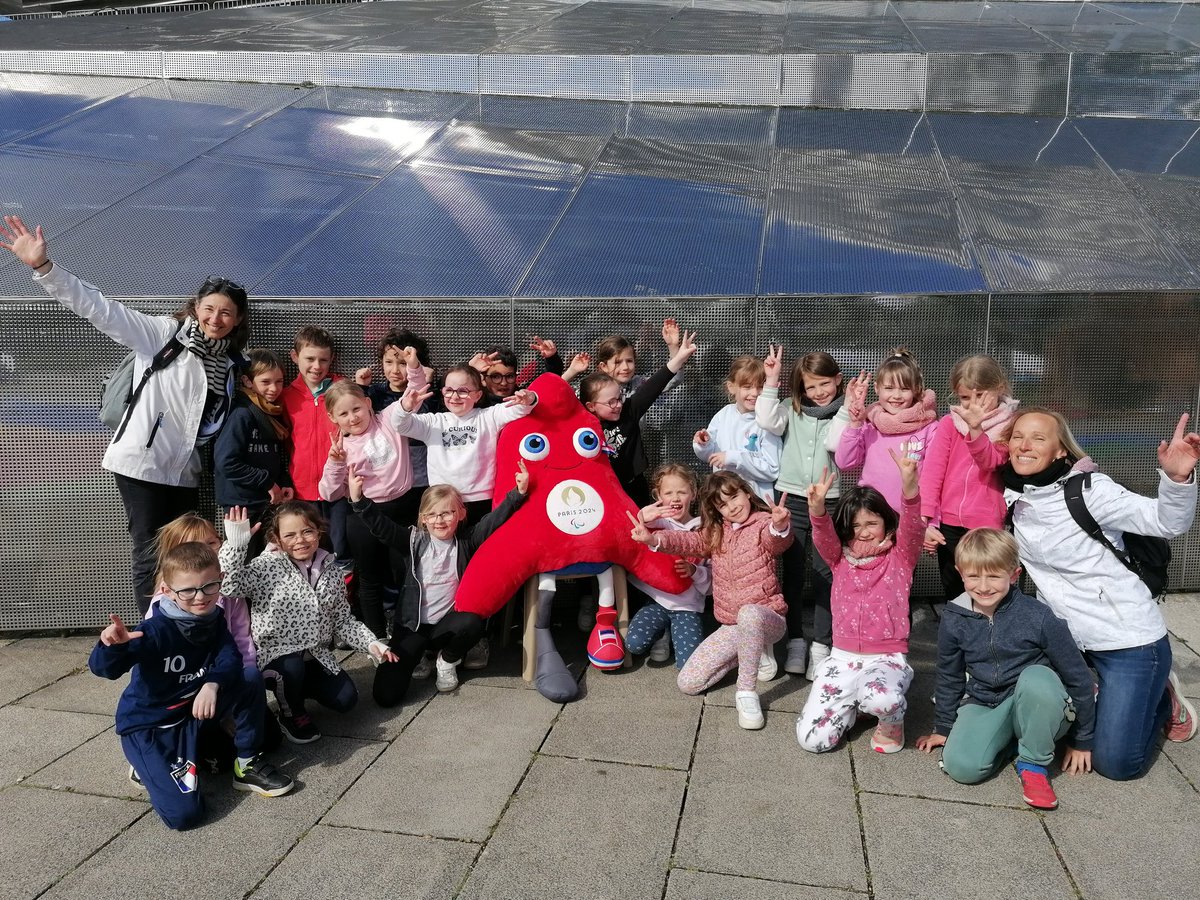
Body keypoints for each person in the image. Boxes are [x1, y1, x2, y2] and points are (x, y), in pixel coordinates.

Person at [1, 216, 250, 615]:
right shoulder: (163, 335)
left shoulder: (233, 364)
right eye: (209, 309)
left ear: (237, 319)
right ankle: (154, 634)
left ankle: (185, 625)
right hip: (143, 463)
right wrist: (43, 269)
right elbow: (100, 309)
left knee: (187, 552)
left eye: (226, 313)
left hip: (184, 471)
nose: (215, 319)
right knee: (151, 551)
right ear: (196, 308)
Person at [1000, 408, 1200, 780]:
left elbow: (1165, 522)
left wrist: (1176, 479)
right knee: (1049, 734)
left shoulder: (1089, 491)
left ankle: (1162, 697)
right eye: (1018, 437)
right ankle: (1118, 697)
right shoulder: (1013, 495)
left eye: (1038, 438)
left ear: (1061, 451)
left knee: (1117, 764)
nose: (1024, 445)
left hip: (1128, 640)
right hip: (1068, 643)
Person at [89, 542, 294, 830]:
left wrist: (212, 684)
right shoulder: (154, 631)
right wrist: (110, 646)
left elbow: (231, 659)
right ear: (167, 591)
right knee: (185, 816)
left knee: (249, 679)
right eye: (187, 590)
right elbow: (104, 670)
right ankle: (147, 765)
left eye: (209, 586)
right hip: (153, 726)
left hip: (192, 713)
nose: (200, 597)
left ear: (220, 581)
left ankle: (245, 764)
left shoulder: (213, 618)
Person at [915, 529, 1096, 811]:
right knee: (961, 767)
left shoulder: (1039, 616)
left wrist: (1082, 740)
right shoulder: (954, 617)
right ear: (960, 573)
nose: (984, 586)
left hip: (1038, 703)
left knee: (1036, 678)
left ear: (1013, 575)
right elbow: (950, 675)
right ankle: (1010, 740)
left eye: (994, 576)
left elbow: (1078, 675)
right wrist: (944, 726)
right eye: (974, 576)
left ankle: (1033, 764)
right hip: (986, 701)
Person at [349, 460, 529, 706]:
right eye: (432, 514)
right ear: (423, 519)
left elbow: (493, 521)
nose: (439, 520)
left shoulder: (466, 541)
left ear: (461, 514)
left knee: (472, 621)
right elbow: (382, 527)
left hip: (447, 625)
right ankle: (420, 655)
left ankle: (447, 660)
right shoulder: (412, 541)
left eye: (447, 512)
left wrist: (517, 494)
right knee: (385, 696)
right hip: (413, 626)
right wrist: (359, 501)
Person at [219, 503, 398, 744]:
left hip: (315, 654)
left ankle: (300, 687)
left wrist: (372, 643)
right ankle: (290, 711)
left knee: (347, 700)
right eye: (290, 535)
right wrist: (236, 546)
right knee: (291, 668)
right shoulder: (266, 566)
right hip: (276, 655)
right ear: (277, 539)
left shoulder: (332, 569)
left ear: (318, 532)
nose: (300, 540)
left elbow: (343, 620)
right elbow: (228, 585)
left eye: (307, 531)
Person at [629, 472, 792, 730]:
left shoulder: (762, 523)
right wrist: (653, 539)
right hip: (732, 625)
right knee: (688, 683)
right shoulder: (716, 532)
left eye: (734, 497)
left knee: (749, 614)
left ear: (747, 493)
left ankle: (746, 693)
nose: (732, 507)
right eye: (723, 505)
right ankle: (751, 648)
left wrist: (780, 525)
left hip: (768, 618)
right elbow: (687, 540)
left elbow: (777, 541)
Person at [796, 448, 923, 754]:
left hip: (886, 657)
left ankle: (890, 720)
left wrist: (909, 487)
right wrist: (817, 511)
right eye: (855, 526)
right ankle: (854, 706)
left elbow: (913, 525)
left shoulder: (901, 555)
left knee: (883, 699)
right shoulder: (840, 558)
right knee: (813, 741)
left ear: (886, 522)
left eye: (871, 523)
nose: (863, 532)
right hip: (842, 657)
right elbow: (823, 537)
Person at [755, 345, 850, 679]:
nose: (819, 392)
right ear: (801, 389)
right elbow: (764, 418)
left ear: (838, 380)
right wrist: (771, 379)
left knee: (827, 574)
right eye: (811, 386)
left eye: (825, 383)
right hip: (790, 499)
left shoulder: (846, 412)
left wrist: (850, 405)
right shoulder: (789, 408)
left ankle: (821, 647)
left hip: (829, 501)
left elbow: (836, 443)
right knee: (792, 573)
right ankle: (795, 639)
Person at [319, 370, 426, 639]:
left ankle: (406, 630)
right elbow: (329, 493)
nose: (352, 417)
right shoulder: (340, 447)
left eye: (356, 409)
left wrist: (412, 367)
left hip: (402, 509)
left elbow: (413, 393)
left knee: (407, 573)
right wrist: (335, 463)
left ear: (368, 404)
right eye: (343, 414)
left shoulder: (388, 419)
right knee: (369, 578)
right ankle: (375, 636)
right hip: (363, 513)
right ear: (333, 418)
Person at [920, 355, 1018, 602]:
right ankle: (960, 635)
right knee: (955, 588)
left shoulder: (1009, 425)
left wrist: (976, 430)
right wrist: (928, 521)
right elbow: (933, 473)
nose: (972, 404)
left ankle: (989, 636)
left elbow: (991, 461)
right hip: (949, 524)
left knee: (987, 589)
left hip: (987, 523)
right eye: (965, 398)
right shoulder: (949, 424)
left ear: (1000, 388)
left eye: (980, 395)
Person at [389, 367, 538, 524]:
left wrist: (529, 398)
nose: (454, 396)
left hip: (481, 499)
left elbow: (522, 408)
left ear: (478, 395)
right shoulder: (433, 422)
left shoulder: (488, 416)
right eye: (449, 390)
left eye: (463, 391)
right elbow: (400, 425)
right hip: (442, 501)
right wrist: (405, 407)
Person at [580, 329, 698, 506]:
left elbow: (657, 383)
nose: (618, 405)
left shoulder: (629, 410)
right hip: (601, 488)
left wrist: (678, 356)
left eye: (619, 399)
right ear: (591, 406)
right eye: (610, 402)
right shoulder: (582, 423)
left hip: (633, 485)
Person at [624, 464, 711, 669]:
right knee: (634, 644)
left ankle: (672, 632)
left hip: (688, 607)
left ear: (693, 493)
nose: (675, 498)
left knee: (688, 666)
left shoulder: (704, 529)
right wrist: (643, 517)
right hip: (656, 601)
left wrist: (695, 572)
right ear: (658, 496)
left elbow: (712, 577)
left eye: (682, 492)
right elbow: (631, 533)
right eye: (668, 493)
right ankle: (661, 632)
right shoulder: (660, 523)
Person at [836, 348, 938, 515]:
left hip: (910, 517)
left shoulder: (928, 427)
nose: (896, 395)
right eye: (889, 388)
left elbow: (933, 479)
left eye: (904, 389)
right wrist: (854, 424)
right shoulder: (869, 423)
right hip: (872, 518)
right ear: (877, 388)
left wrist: (929, 519)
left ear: (916, 390)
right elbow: (844, 462)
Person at [214, 348, 293, 559]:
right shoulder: (242, 414)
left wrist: (284, 483)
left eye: (279, 381)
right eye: (266, 382)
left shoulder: (271, 413)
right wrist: (268, 483)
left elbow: (273, 457)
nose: (274, 388)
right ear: (248, 381)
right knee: (242, 561)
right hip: (241, 509)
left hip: (265, 504)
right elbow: (226, 461)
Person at [282, 326, 348, 558]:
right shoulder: (286, 395)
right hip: (302, 491)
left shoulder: (341, 389)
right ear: (295, 357)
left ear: (332, 360)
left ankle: (341, 593)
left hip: (339, 489)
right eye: (310, 359)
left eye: (323, 360)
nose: (316, 366)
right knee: (305, 551)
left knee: (338, 549)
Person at [693, 355, 781, 502]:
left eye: (760, 386)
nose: (754, 393)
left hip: (757, 505)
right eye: (747, 387)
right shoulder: (724, 414)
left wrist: (733, 458)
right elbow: (709, 456)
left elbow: (772, 470)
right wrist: (703, 443)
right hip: (724, 503)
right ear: (731, 387)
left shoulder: (768, 422)